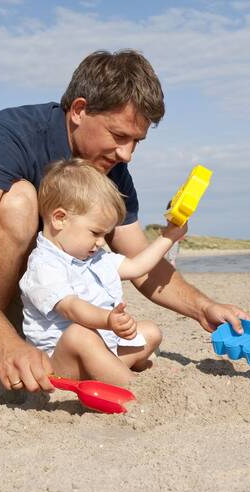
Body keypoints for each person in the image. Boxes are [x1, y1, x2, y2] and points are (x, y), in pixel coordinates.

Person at [0, 49, 249, 393]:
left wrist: (203, 308)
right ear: (79, 110)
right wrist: (3, 344)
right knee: (20, 202)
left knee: (126, 336)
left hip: (32, 287)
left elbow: (141, 264)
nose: (126, 154)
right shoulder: (7, 136)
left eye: (136, 141)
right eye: (119, 136)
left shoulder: (110, 169)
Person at [21, 159, 187, 386]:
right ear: (60, 219)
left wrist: (169, 236)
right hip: (59, 363)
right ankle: (130, 385)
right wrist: (107, 319)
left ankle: (111, 369)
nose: (101, 242)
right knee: (79, 335)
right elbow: (71, 308)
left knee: (150, 332)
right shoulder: (45, 264)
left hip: (102, 346)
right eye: (95, 232)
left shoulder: (93, 257)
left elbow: (137, 267)